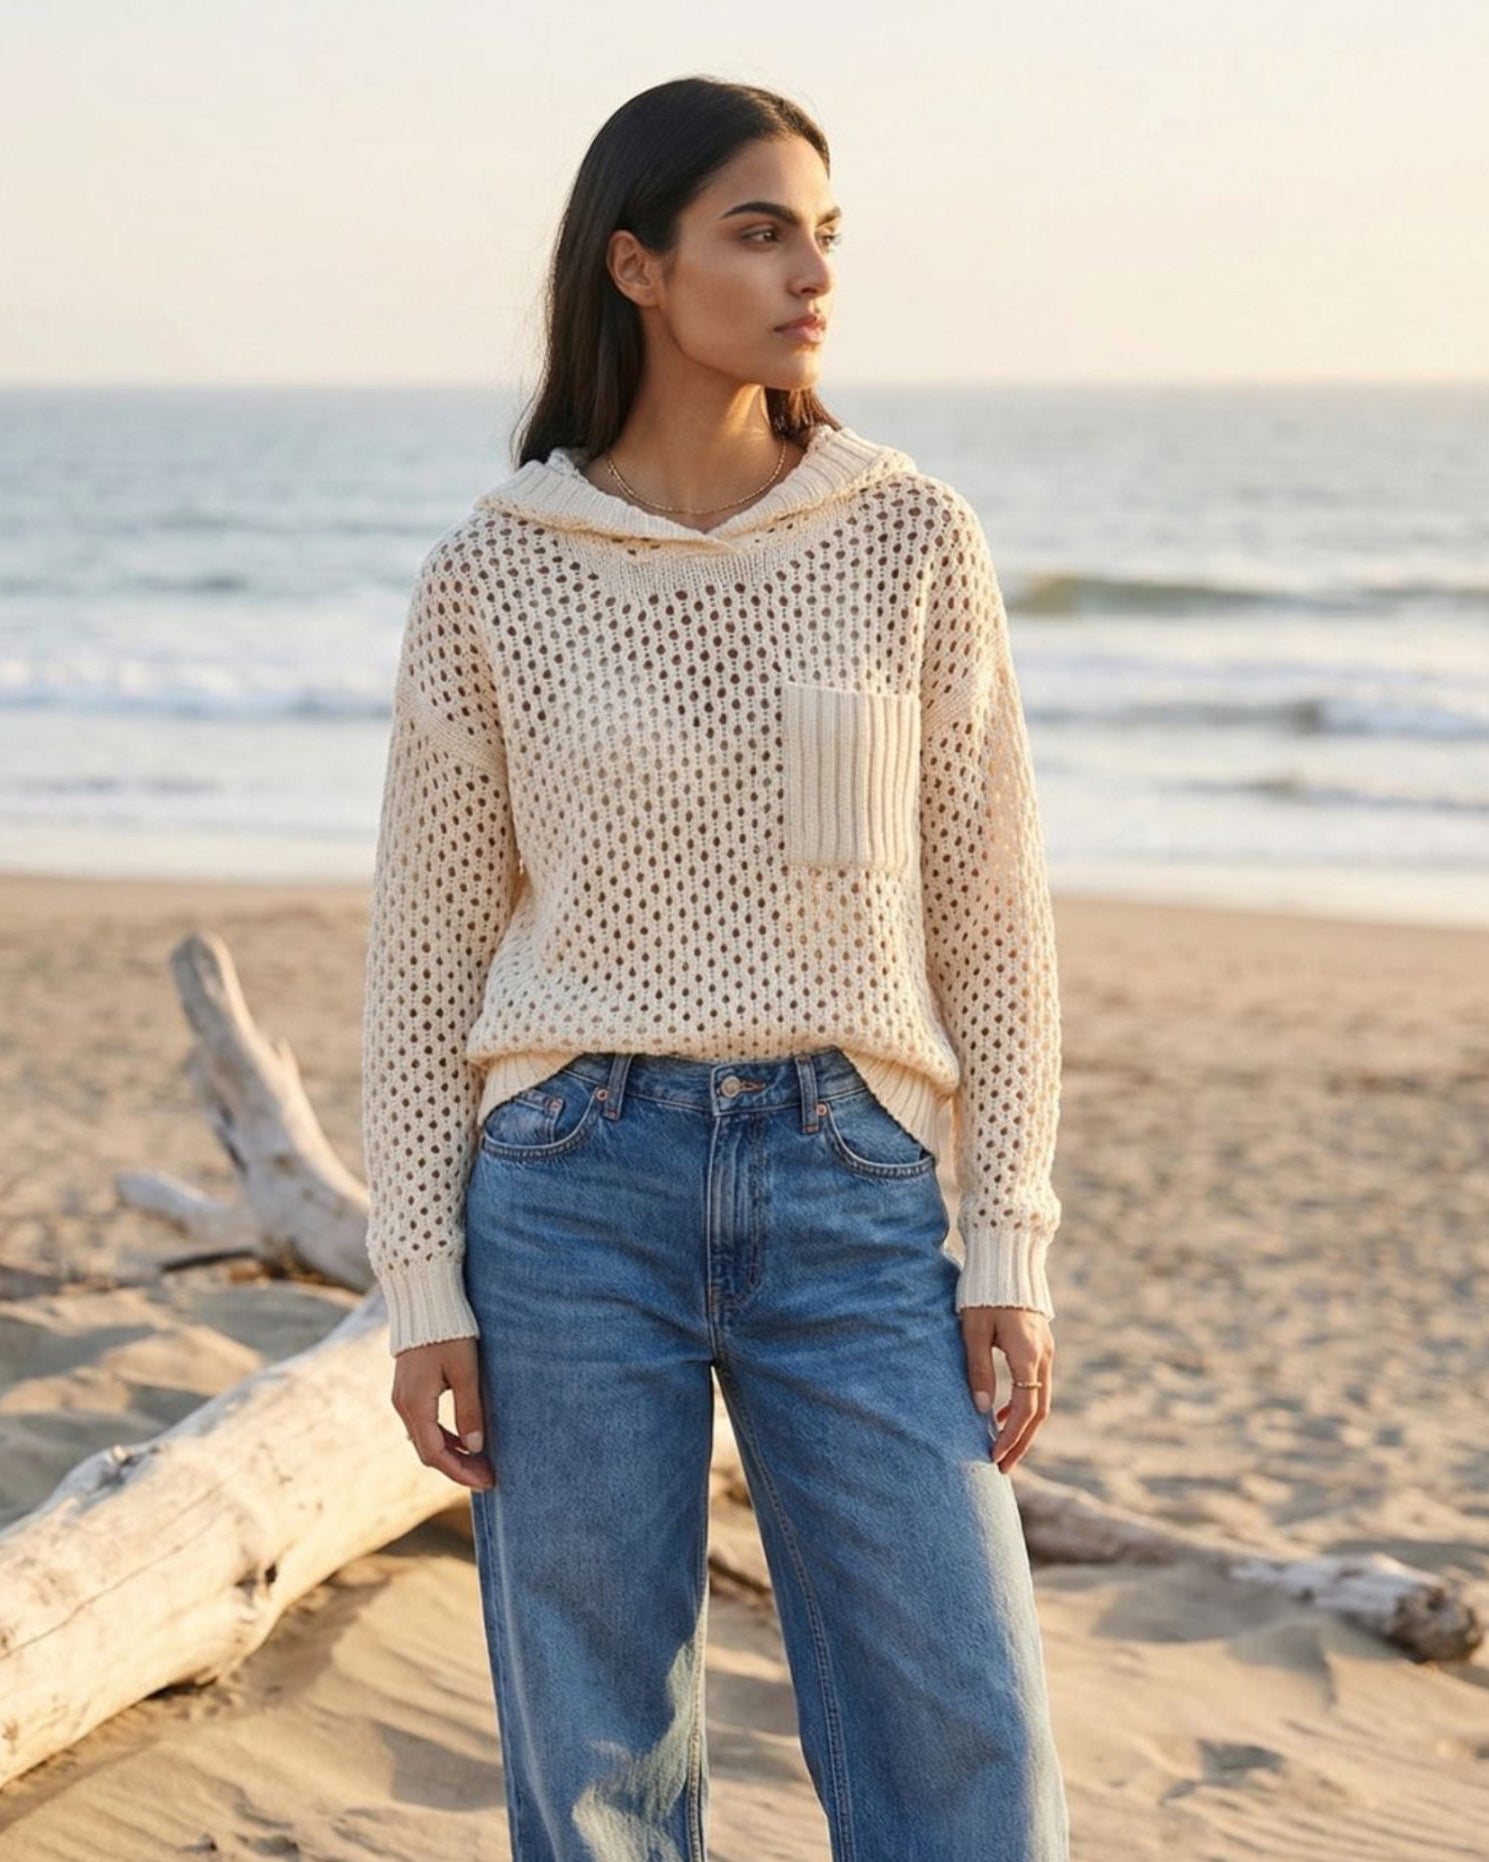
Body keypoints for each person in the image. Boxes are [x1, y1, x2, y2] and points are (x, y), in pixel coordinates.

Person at [360, 73, 1070, 1862]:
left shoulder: (910, 538)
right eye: (756, 231)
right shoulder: (494, 573)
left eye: (822, 235)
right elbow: (427, 955)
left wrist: (1009, 1232)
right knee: (599, 1771)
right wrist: (419, 1281)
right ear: (637, 267)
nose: (807, 272)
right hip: (566, 1192)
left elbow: (989, 915)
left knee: (964, 1741)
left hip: (852, 1182)